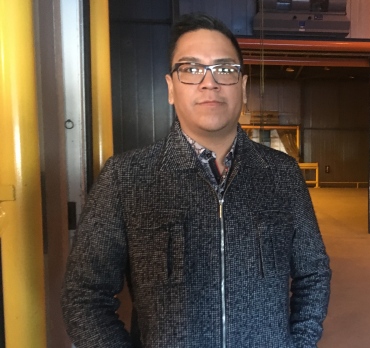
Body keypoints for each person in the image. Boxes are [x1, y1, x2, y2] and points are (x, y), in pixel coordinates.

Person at [62, 12, 331, 348]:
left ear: (243, 88)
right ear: (171, 88)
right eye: (190, 69)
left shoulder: (282, 174)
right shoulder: (126, 178)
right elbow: (84, 296)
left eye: (225, 69)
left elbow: (313, 273)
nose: (209, 82)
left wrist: (299, 343)